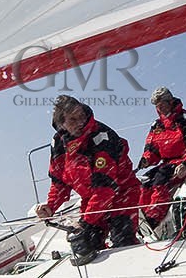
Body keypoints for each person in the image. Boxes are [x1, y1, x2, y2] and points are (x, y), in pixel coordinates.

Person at [33, 94, 141, 265]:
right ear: (61, 124)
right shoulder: (59, 143)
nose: (80, 122)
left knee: (123, 245)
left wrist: (84, 222)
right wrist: (51, 205)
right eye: (73, 119)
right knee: (87, 246)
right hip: (91, 200)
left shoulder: (101, 137)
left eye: (82, 116)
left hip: (122, 195)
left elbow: (105, 189)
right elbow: (59, 181)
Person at [138, 86, 186, 228]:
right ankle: (142, 219)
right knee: (145, 182)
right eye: (157, 105)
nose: (160, 107)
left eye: (162, 103)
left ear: (170, 101)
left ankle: (154, 217)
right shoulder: (157, 126)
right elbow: (152, 149)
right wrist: (146, 160)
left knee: (160, 181)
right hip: (168, 163)